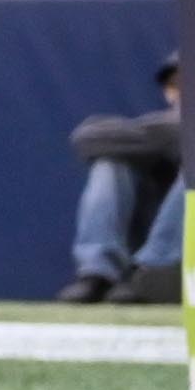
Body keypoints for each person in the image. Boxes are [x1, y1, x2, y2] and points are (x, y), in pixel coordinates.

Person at [66, 57, 183, 306]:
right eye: (174, 85)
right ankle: (98, 273)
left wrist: (158, 136)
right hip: (139, 243)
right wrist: (163, 137)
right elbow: (85, 137)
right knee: (110, 164)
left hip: (193, 255)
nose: (180, 92)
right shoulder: (156, 126)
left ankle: (155, 271)